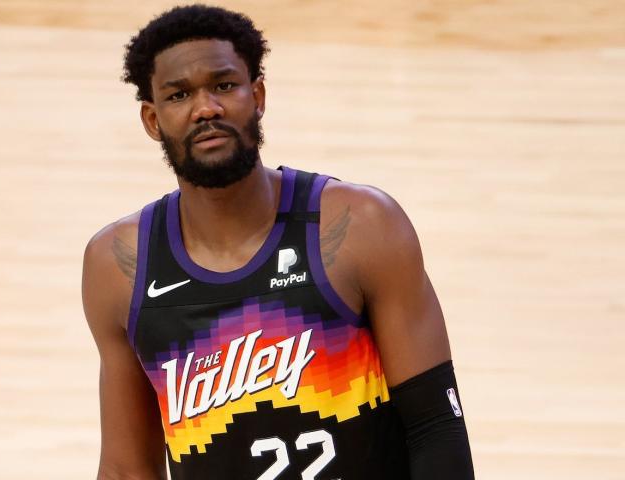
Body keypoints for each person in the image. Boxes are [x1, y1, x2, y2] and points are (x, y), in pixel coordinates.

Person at [81, 4, 474, 479]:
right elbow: (127, 469)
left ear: (258, 94)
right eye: (180, 94)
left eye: (224, 85)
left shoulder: (362, 225)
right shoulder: (118, 266)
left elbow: (435, 428)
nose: (206, 108)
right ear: (152, 119)